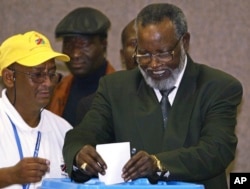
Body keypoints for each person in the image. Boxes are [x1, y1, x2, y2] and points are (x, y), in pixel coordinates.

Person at [63, 3, 243, 189]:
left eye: (163, 53)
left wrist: (158, 164)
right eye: (144, 54)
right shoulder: (115, 88)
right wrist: (79, 154)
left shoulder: (217, 86)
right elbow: (83, 134)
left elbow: (217, 150)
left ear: (185, 42)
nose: (154, 64)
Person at [0, 31, 73, 189]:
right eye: (37, 75)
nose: (48, 83)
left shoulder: (64, 130)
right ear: (9, 77)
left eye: (52, 74)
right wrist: (9, 176)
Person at [47, 7, 115, 126]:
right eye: (69, 46)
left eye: (84, 45)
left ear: (103, 44)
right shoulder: (56, 90)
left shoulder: (119, 89)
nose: (75, 54)